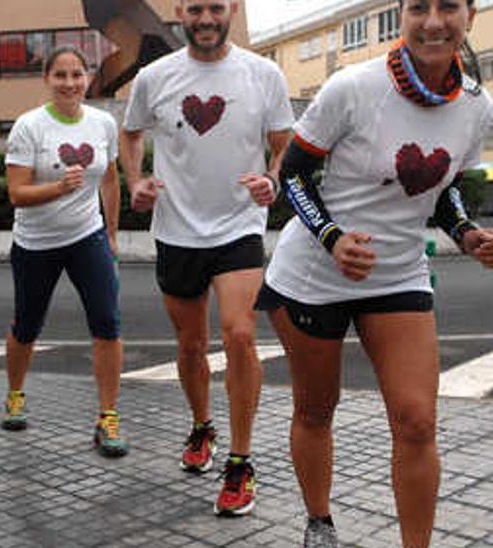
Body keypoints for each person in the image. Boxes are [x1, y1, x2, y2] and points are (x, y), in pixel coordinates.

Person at [258, 1, 493, 545]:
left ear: (470, 16)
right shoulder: (354, 87)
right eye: (418, 7)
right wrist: (332, 238)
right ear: (402, 15)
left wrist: (468, 233)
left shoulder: (476, 106)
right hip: (312, 275)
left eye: (449, 7)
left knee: (417, 421)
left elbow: (444, 191)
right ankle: (319, 524)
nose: (433, 21)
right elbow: (293, 174)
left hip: (398, 276)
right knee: (317, 408)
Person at [120, 0, 294, 517]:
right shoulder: (155, 77)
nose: (206, 18)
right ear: (180, 11)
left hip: (239, 226)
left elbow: (284, 144)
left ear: (233, 8)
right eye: (195, 8)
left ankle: (240, 460)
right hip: (176, 229)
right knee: (191, 345)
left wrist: (273, 179)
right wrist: (135, 182)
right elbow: (129, 133)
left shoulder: (263, 74)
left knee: (240, 334)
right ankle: (202, 425)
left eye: (216, 7)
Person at [0, 46, 128, 458]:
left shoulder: (103, 123)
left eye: (77, 75)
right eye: (61, 75)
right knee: (27, 325)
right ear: (47, 79)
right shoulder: (29, 127)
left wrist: (110, 235)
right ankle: (15, 394)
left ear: (87, 78)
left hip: (86, 237)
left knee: (107, 321)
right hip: (36, 243)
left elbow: (110, 180)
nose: (70, 83)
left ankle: (107, 416)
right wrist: (58, 187)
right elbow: (16, 194)